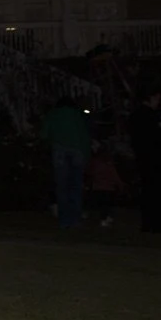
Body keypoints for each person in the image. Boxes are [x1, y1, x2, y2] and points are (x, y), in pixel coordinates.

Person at [41, 96, 90, 228]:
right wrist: (86, 154)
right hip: (77, 150)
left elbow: (44, 134)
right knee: (76, 186)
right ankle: (75, 218)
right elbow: (85, 135)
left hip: (59, 150)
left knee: (62, 186)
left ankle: (64, 220)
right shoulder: (77, 115)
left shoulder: (53, 114)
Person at [128, 87, 161, 233]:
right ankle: (156, 223)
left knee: (147, 190)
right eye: (157, 98)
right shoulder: (152, 116)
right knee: (156, 191)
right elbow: (158, 135)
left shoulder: (136, 116)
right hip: (153, 158)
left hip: (143, 158)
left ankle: (147, 223)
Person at [88, 142, 124, 228]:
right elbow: (114, 176)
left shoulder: (95, 163)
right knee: (107, 205)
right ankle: (104, 219)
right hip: (107, 189)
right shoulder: (108, 164)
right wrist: (120, 185)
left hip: (99, 188)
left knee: (104, 205)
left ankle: (106, 218)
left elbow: (91, 173)